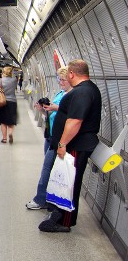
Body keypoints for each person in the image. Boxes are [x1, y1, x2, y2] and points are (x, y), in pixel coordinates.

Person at [39, 59, 102, 232]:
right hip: (75, 143)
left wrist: (62, 143)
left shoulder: (83, 92)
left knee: (70, 182)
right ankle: (60, 214)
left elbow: (75, 121)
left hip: (76, 144)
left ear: (72, 74)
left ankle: (64, 222)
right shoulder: (86, 90)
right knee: (68, 180)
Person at [26, 67, 71, 210]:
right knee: (49, 168)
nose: (60, 82)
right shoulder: (60, 93)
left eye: (63, 79)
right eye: (59, 79)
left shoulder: (72, 95)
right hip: (50, 134)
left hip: (58, 138)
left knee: (47, 168)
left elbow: (70, 115)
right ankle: (49, 198)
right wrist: (43, 109)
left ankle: (40, 199)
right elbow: (52, 114)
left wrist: (56, 108)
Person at [0, 66, 17, 144]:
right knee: (10, 120)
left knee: (3, 121)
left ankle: (4, 139)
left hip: (2, 102)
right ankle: (10, 133)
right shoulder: (14, 80)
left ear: (3, 72)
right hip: (12, 101)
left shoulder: (0, 81)